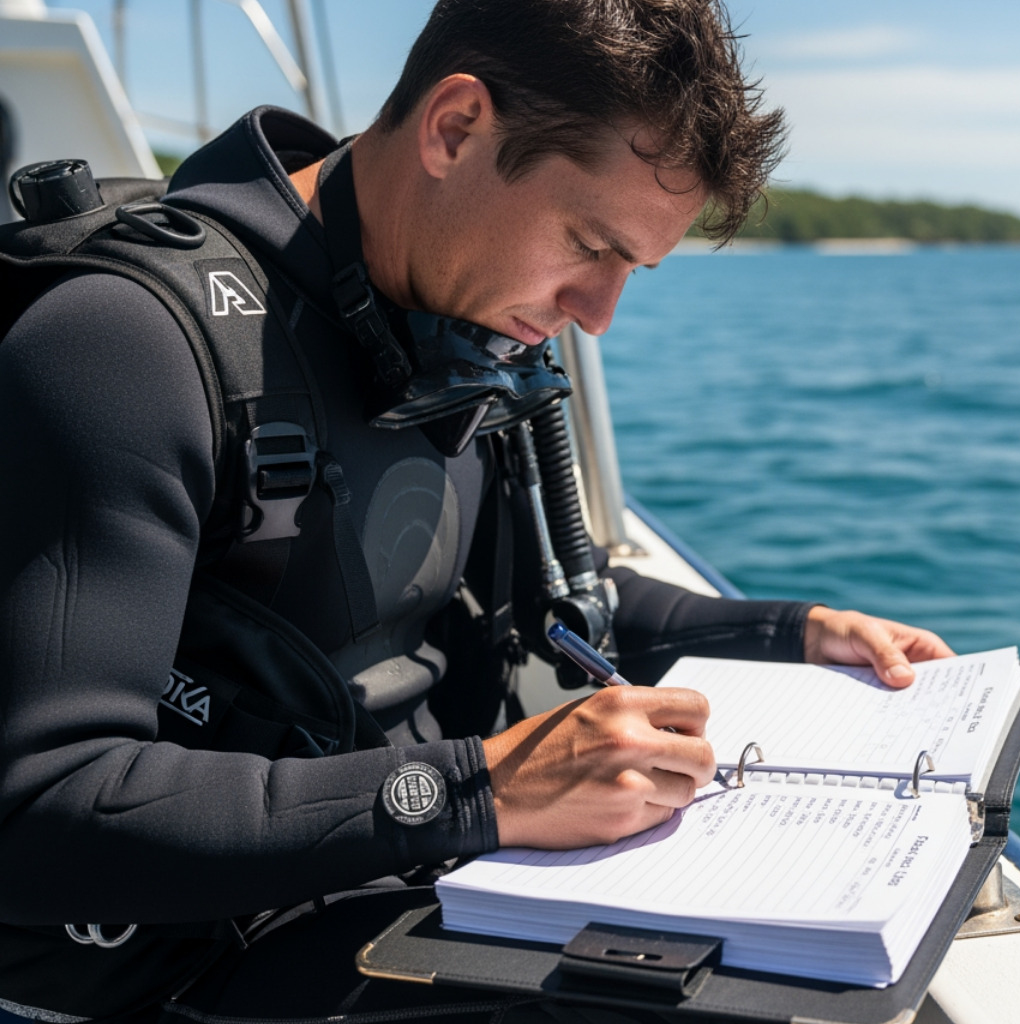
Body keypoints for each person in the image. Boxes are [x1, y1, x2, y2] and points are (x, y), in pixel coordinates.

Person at [0, 1, 953, 1022]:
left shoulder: (452, 327)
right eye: (591, 244)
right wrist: (476, 790)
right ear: (455, 128)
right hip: (185, 969)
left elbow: (552, 600)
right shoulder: (124, 346)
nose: (598, 315)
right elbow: (41, 813)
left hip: (402, 885)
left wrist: (795, 634)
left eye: (634, 267)